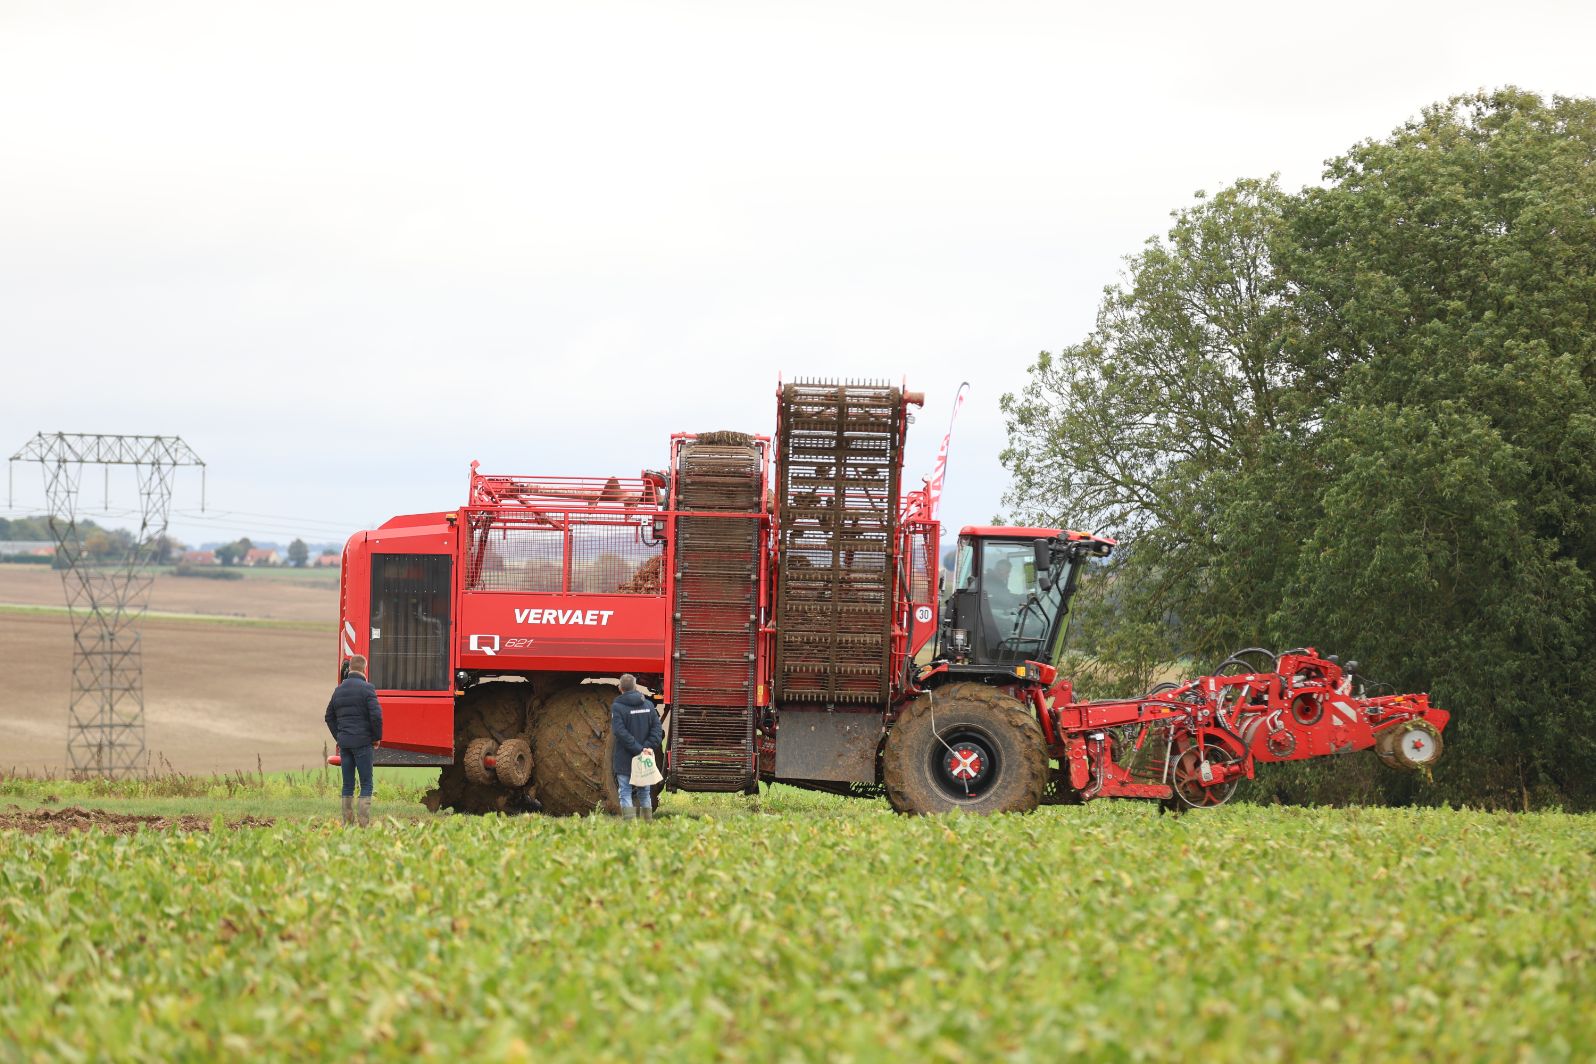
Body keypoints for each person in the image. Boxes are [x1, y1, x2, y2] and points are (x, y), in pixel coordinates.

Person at [325, 654, 383, 827]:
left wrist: (339, 736)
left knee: (348, 784)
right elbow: (376, 716)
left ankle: (348, 824)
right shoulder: (368, 689)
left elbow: (329, 716)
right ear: (365, 668)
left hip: (345, 744)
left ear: (349, 668)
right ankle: (363, 824)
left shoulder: (339, 690)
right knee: (366, 783)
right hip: (363, 743)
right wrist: (376, 738)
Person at [610, 673, 663, 822]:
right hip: (644, 758)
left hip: (624, 758)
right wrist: (646, 747)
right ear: (635, 687)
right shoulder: (648, 706)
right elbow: (657, 730)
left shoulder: (617, 707)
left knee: (625, 792)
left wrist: (638, 748)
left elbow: (619, 732)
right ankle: (647, 823)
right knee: (644, 792)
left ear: (620, 688)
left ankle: (629, 825)